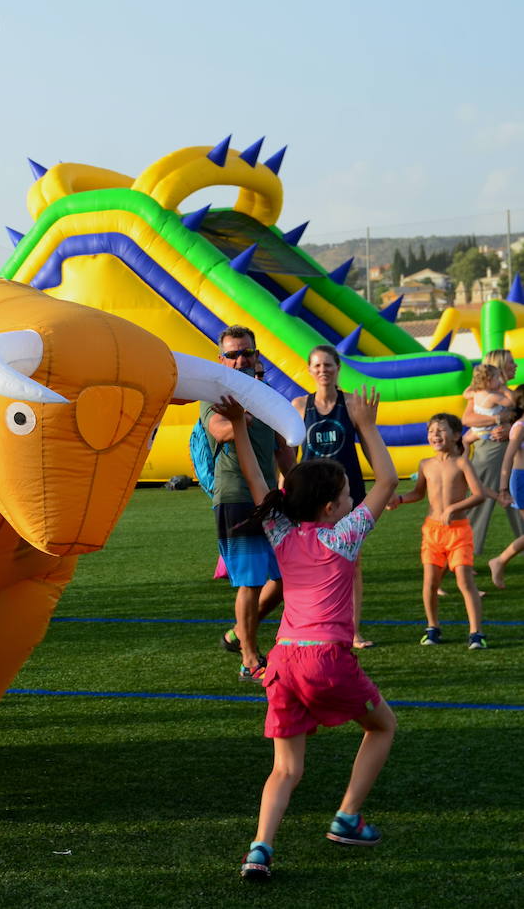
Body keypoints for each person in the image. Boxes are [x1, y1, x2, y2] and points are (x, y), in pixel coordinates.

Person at [214, 390, 398, 883]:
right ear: (332, 506)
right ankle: (347, 817)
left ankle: (259, 849)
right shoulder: (346, 533)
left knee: (286, 769)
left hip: (282, 662)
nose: (351, 501)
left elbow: (256, 481)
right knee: (383, 728)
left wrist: (236, 432)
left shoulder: (280, 530)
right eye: (345, 495)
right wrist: (364, 425)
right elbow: (390, 479)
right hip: (325, 660)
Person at [202, 326, 293, 681]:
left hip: (271, 498)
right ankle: (250, 660)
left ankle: (238, 633)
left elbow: (282, 451)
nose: (241, 360)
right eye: (233, 354)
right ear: (221, 359)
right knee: (252, 580)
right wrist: (245, 413)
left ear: (257, 356)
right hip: (236, 497)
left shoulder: (268, 394)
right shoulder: (214, 396)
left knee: (285, 578)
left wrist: (301, 488)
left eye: (247, 353)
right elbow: (221, 430)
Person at [292, 345, 374, 648]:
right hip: (311, 499)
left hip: (348, 496)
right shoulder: (300, 405)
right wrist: (283, 494)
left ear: (338, 368)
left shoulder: (351, 403)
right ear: (310, 370)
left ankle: (353, 631)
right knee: (312, 563)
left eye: (328, 365)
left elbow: (368, 442)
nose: (323, 370)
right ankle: (315, 625)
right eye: (317, 365)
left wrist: (384, 482)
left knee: (352, 563)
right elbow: (290, 455)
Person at [388, 413, 488, 648]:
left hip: (458, 532)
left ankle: (476, 633)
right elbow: (418, 493)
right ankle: (432, 627)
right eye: (432, 431)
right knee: (430, 583)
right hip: (432, 532)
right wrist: (399, 499)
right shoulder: (426, 464)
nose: (435, 435)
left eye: (441, 430)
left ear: (455, 436)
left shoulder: (462, 462)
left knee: (464, 580)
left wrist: (454, 507)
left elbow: (479, 494)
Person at [462, 350, 523, 555]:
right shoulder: (485, 393)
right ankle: (463, 554)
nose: (515, 366)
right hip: (490, 451)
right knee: (480, 502)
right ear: (499, 368)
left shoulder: (507, 393)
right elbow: (468, 419)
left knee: (517, 498)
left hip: (509, 451)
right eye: (511, 363)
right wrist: (500, 421)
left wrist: (509, 424)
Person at [486, 386, 524, 587]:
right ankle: (499, 561)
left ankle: (500, 561)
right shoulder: (520, 426)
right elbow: (508, 456)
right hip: (522, 481)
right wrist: (503, 489)